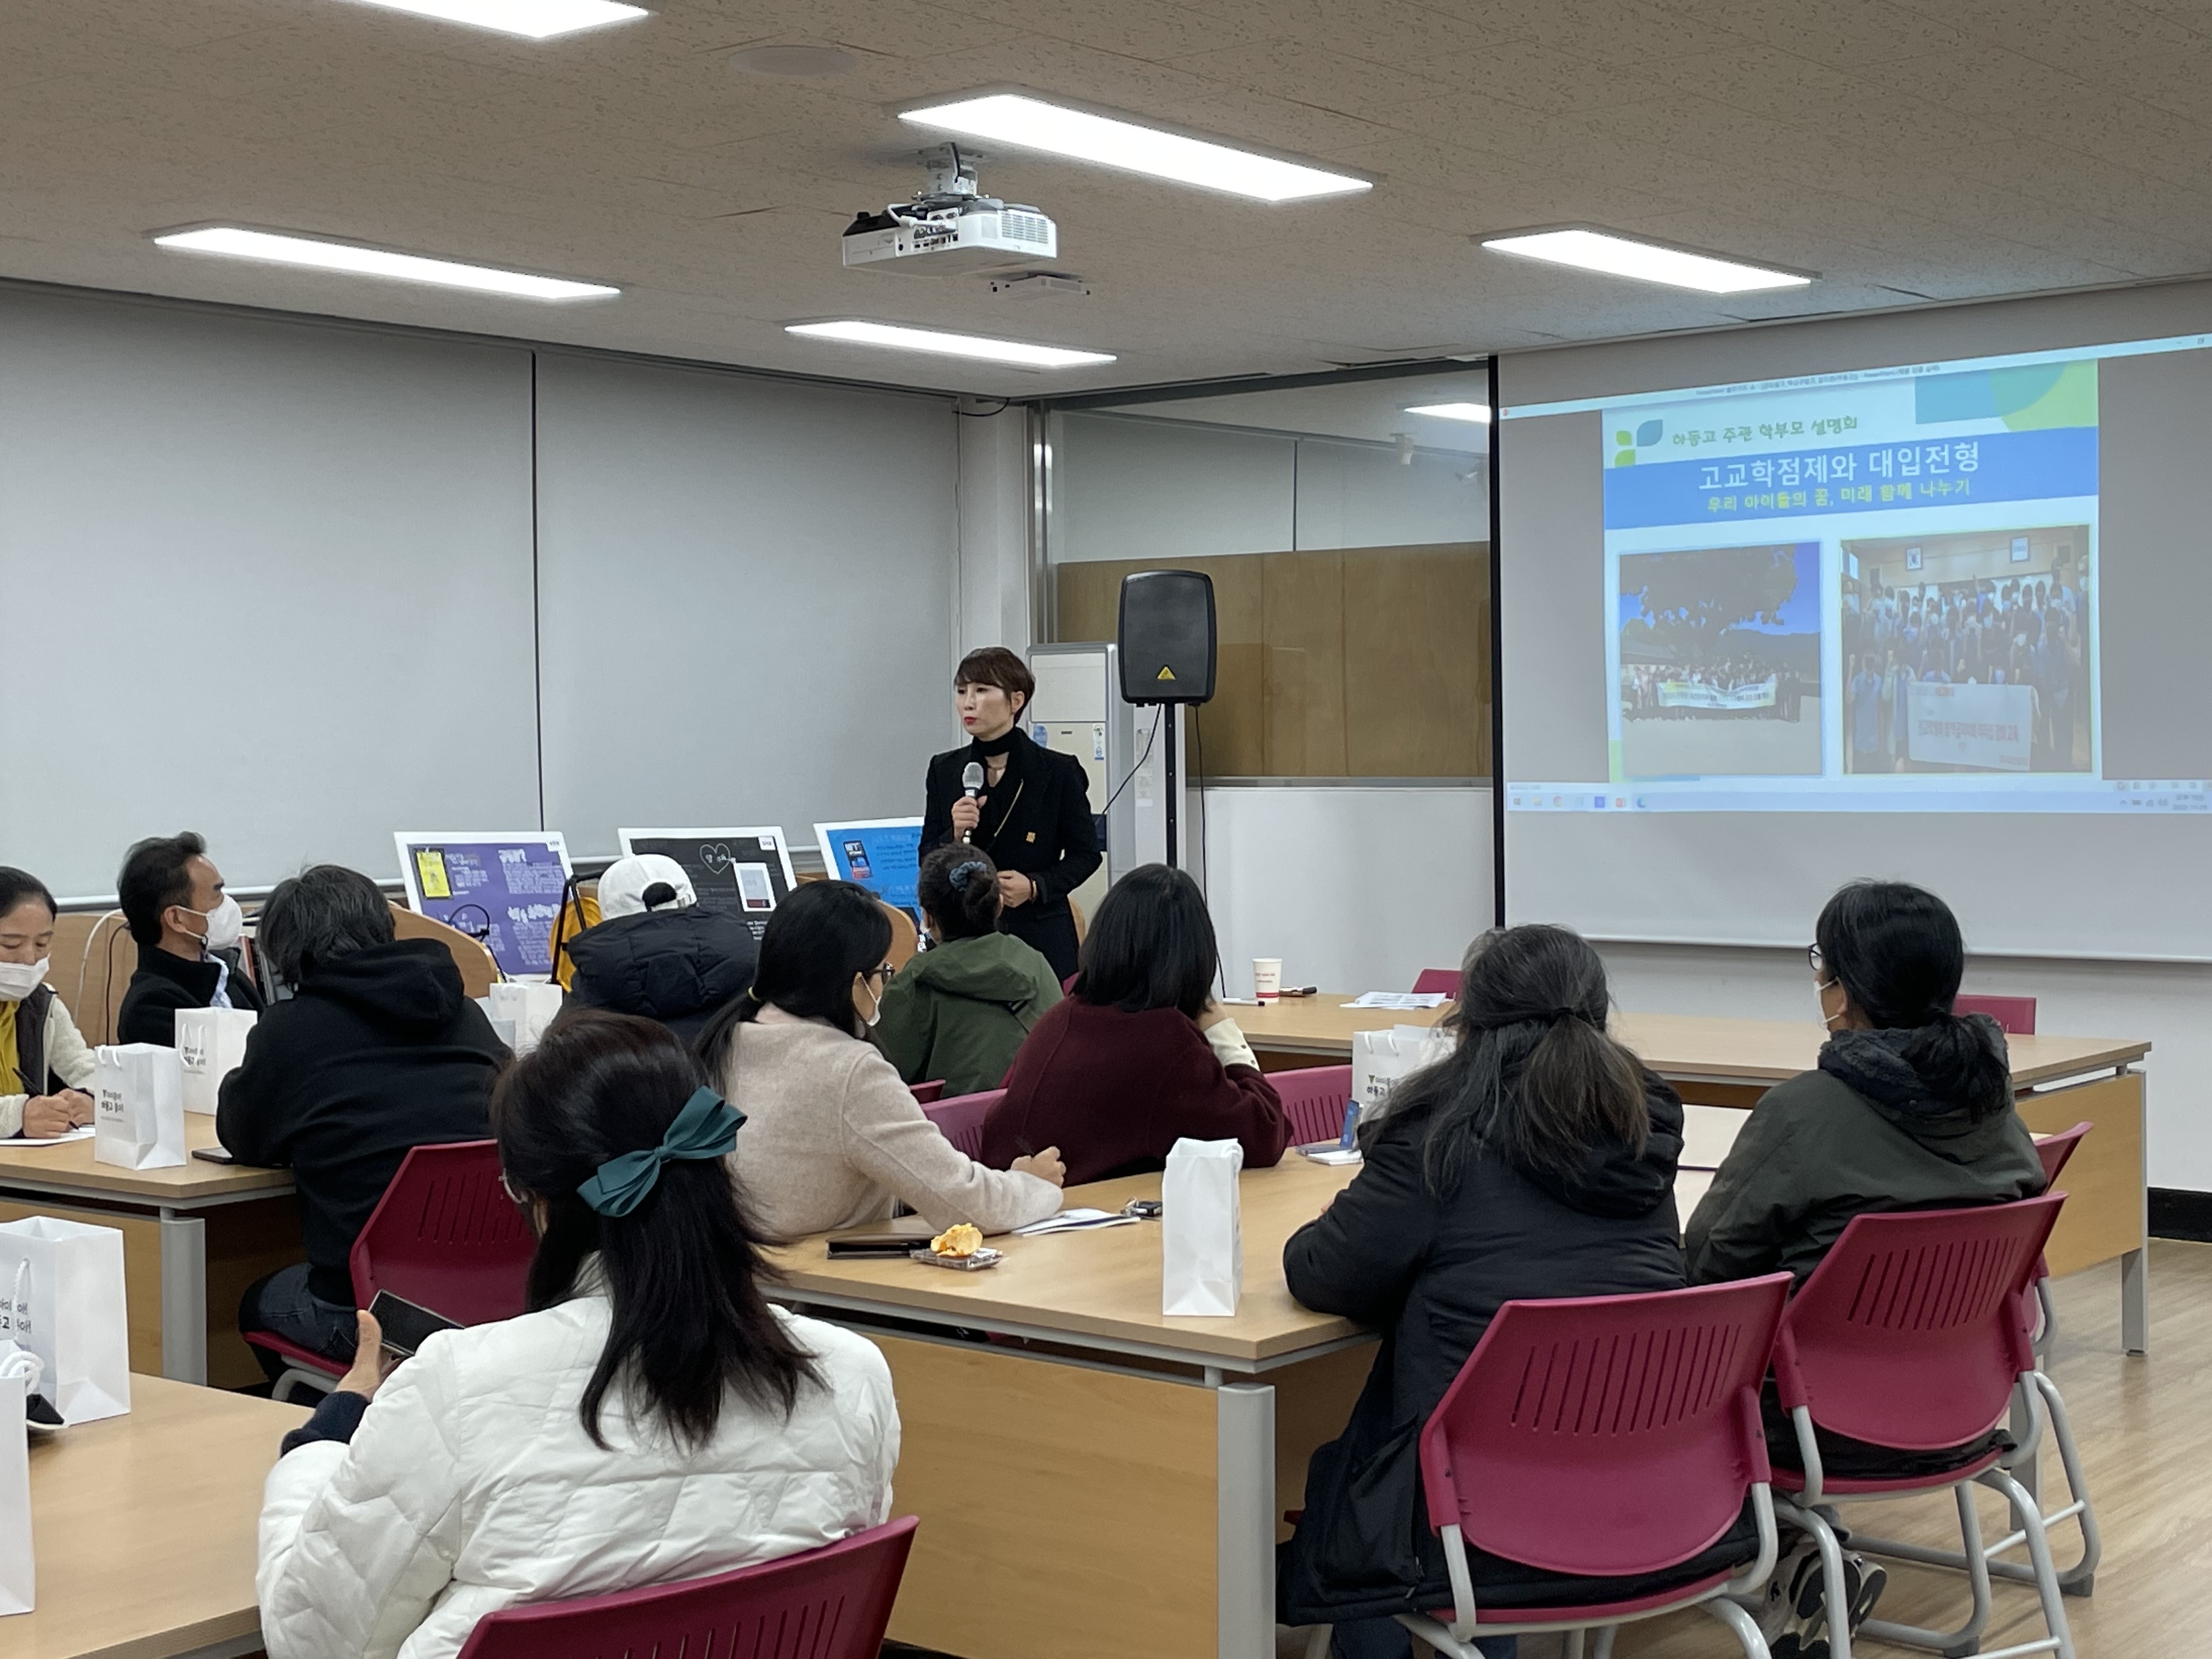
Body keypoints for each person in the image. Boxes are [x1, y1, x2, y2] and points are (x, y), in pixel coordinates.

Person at [255, 1012, 899, 1659]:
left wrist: (325, 1438)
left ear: (537, 1199)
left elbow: (311, 1640)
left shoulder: (459, 1391)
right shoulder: (852, 1377)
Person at [1276, 926, 1714, 1659]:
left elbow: (1325, 1272)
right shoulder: (1642, 1129)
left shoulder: (1441, 1132)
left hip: (1471, 1508)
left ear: (1468, 1024)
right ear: (1599, 1017)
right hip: (1642, 1481)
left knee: (1360, 1481)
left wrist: (1323, 1228)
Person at [222, 866, 509, 1374]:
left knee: (254, 1301)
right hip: (493, 1301)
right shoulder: (467, 1014)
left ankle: (329, 1424)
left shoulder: (291, 1031)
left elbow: (246, 1138)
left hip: (364, 1312)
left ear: (290, 953)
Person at [1686, 879, 2042, 1285]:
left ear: (1842, 993)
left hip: (1815, 1344)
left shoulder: (1803, 1111)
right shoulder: (1992, 1100)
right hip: (1966, 1342)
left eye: (1822, 960)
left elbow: (1712, 1255)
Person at [697, 879, 1064, 1239]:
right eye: (883, 973)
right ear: (857, 983)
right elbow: (968, 1205)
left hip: (748, 1279)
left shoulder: (728, 1040)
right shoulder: (849, 1068)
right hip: (824, 1287)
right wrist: (1031, 1184)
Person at [981, 864, 1289, 1186]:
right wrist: (1220, 1028)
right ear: (1194, 955)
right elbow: (1265, 1133)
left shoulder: (1061, 1016)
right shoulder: (1164, 1040)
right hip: (1086, 1221)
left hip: (1027, 1212)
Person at [921, 646, 1101, 983]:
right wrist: (954, 835)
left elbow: (1086, 855)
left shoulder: (1057, 771)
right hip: (965, 935)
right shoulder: (945, 769)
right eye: (962, 692)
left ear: (1016, 701)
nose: (968, 703)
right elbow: (927, 855)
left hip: (1037, 930)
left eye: (982, 690)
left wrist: (1036, 886)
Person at [873, 844, 1062, 1097]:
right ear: (999, 905)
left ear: (927, 918)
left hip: (953, 1132)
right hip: (1036, 1122)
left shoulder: (914, 982)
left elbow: (883, 1079)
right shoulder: (1036, 962)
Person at [561, 854, 758, 1046]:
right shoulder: (745, 963)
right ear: (692, 901)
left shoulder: (596, 979)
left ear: (607, 918)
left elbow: (560, 1054)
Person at [115, 831, 264, 1046]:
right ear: (177, 918)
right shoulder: (151, 1009)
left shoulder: (229, 975)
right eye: (217, 894)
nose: (228, 905)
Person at [0, 869, 97, 1139]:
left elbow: (85, 1067)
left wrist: (89, 1098)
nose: (30, 959)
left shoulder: (40, 1003)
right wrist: (17, 1115)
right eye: (11, 945)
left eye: (42, 943)